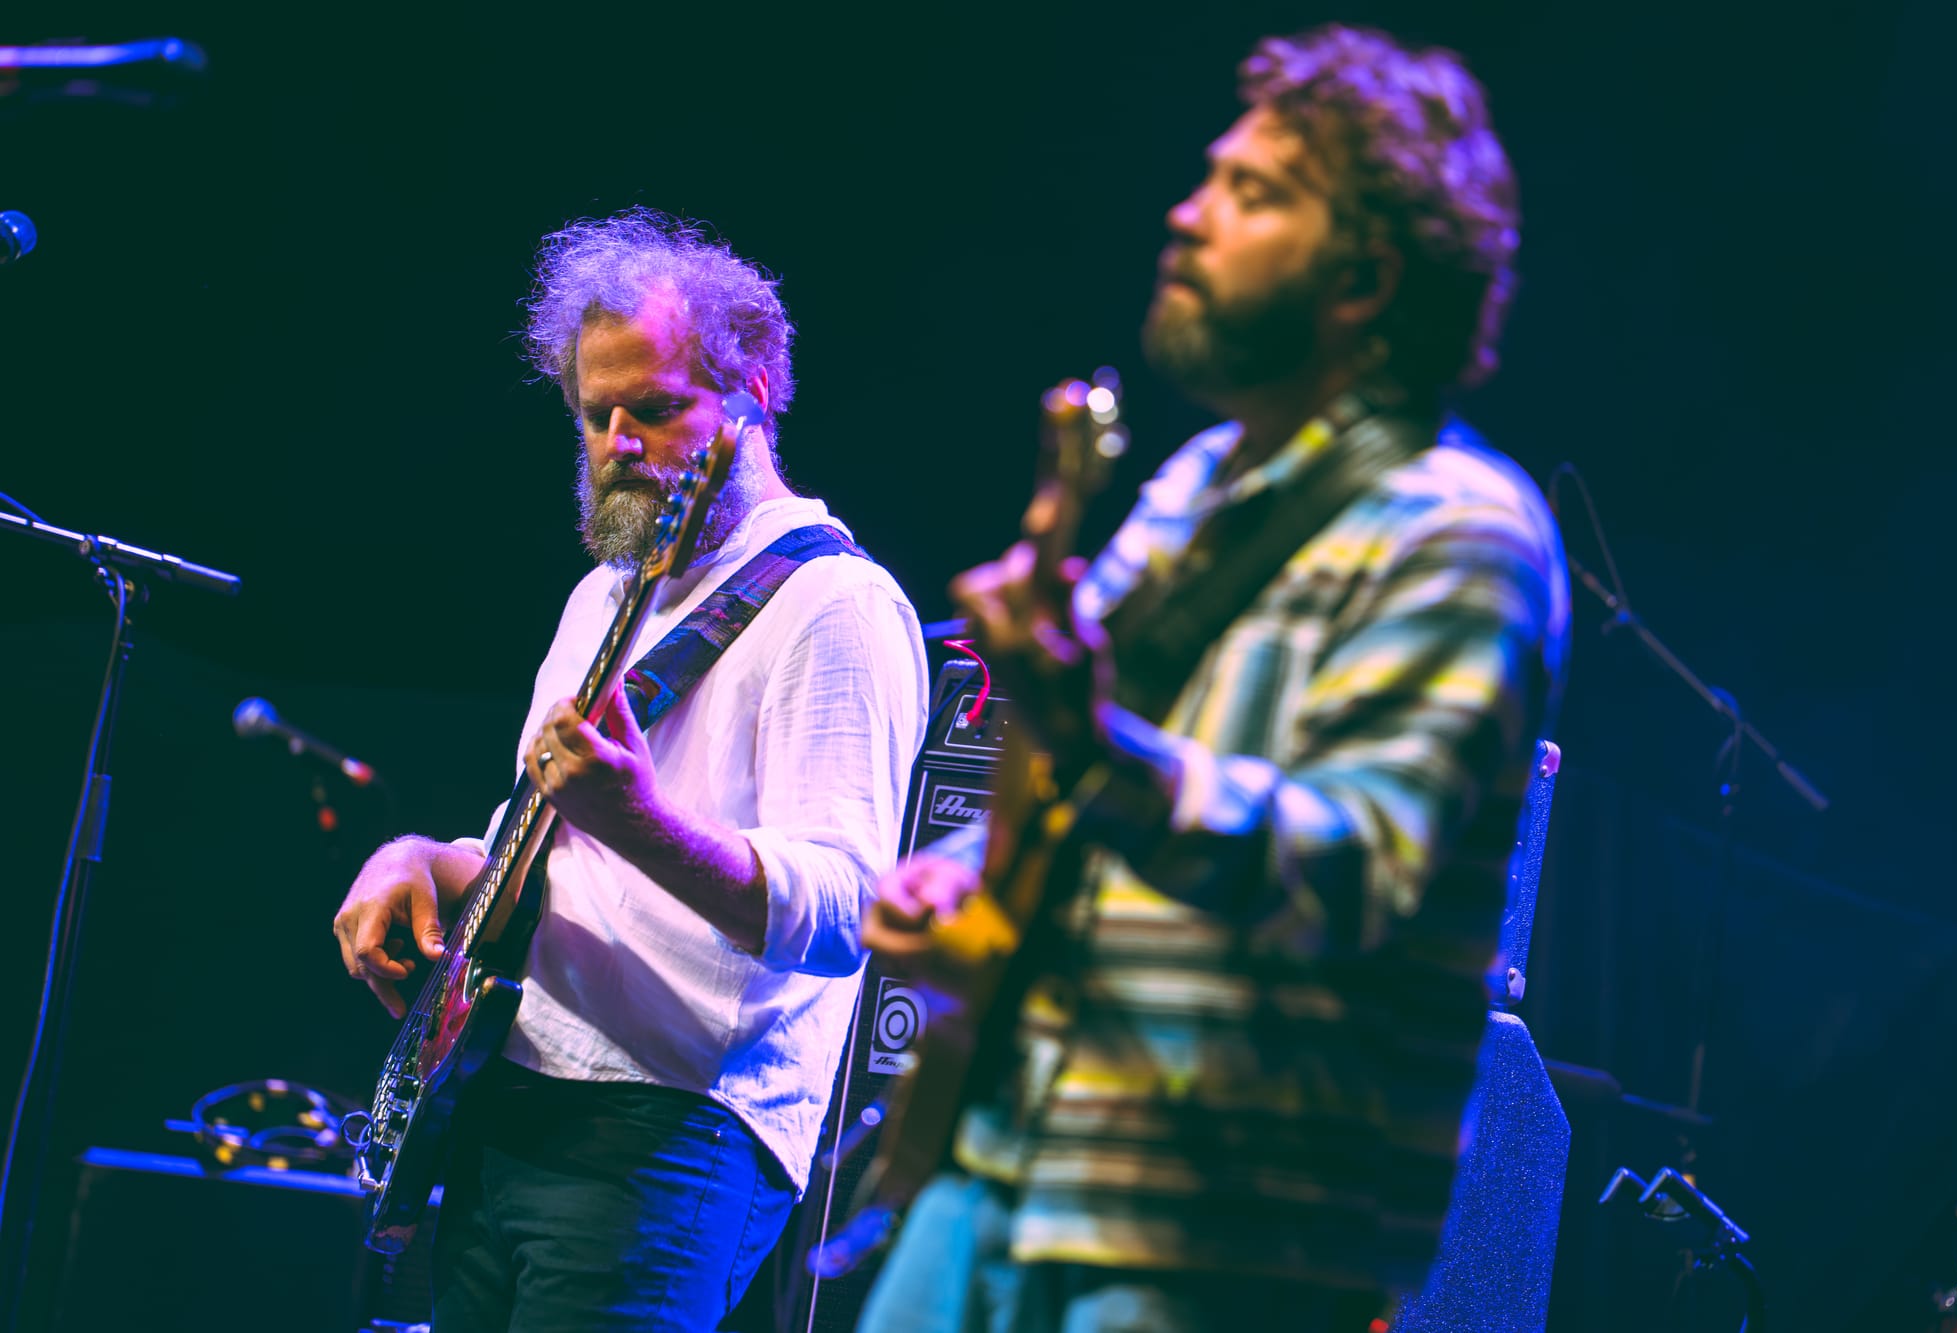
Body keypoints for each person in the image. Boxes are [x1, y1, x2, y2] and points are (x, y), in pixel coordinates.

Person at [858, 23, 1570, 1333]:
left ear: (1363, 276)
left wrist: (1094, 747)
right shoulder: (1194, 484)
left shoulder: (1462, 530)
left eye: (1254, 192)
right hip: (998, 1161)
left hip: (1217, 1232)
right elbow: (1075, 791)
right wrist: (956, 875)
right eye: (1208, 178)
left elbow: (1357, 865)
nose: (1188, 215)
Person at [331, 211, 928, 1333]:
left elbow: (850, 910)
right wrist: (418, 856)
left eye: (653, 408)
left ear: (752, 392)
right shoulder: (606, 595)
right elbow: (547, 849)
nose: (618, 442)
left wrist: (637, 818)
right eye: (593, 414)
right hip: (509, 1093)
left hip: (667, 1133)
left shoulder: (833, 604)